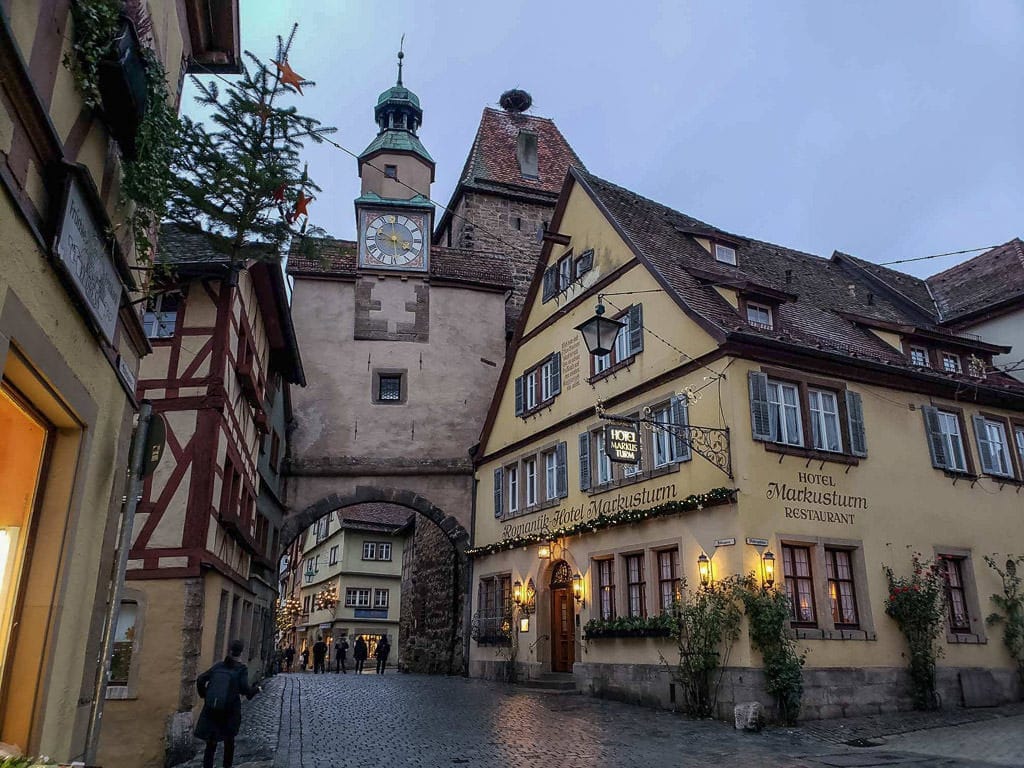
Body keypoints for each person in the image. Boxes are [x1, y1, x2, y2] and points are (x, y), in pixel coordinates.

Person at [195, 639, 260, 768]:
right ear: (240, 653)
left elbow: (201, 679)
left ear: (229, 651)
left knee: (211, 743)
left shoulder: (218, 666)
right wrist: (256, 690)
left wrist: (205, 695)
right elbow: (245, 690)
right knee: (229, 741)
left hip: (213, 709)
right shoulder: (241, 669)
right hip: (230, 710)